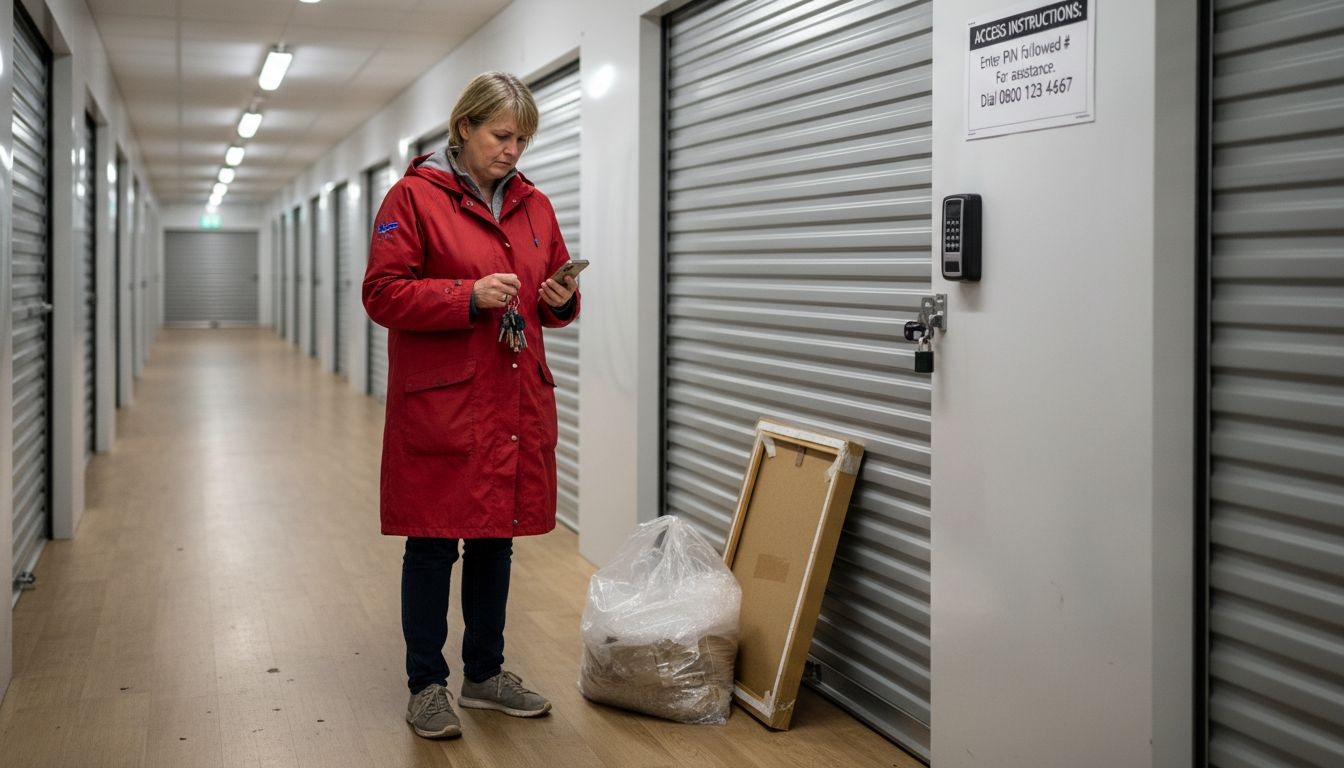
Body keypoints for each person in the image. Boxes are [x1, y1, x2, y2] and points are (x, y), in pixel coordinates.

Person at [362, 71, 580, 740]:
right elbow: (383, 295)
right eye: (501, 135)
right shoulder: (413, 197)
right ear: (465, 129)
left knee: (496, 540)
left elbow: (559, 292)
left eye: (523, 139)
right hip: (445, 405)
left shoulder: (535, 206)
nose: (513, 150)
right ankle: (426, 684)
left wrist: (559, 297)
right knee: (432, 543)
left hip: (512, 401)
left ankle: (484, 675)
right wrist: (466, 296)